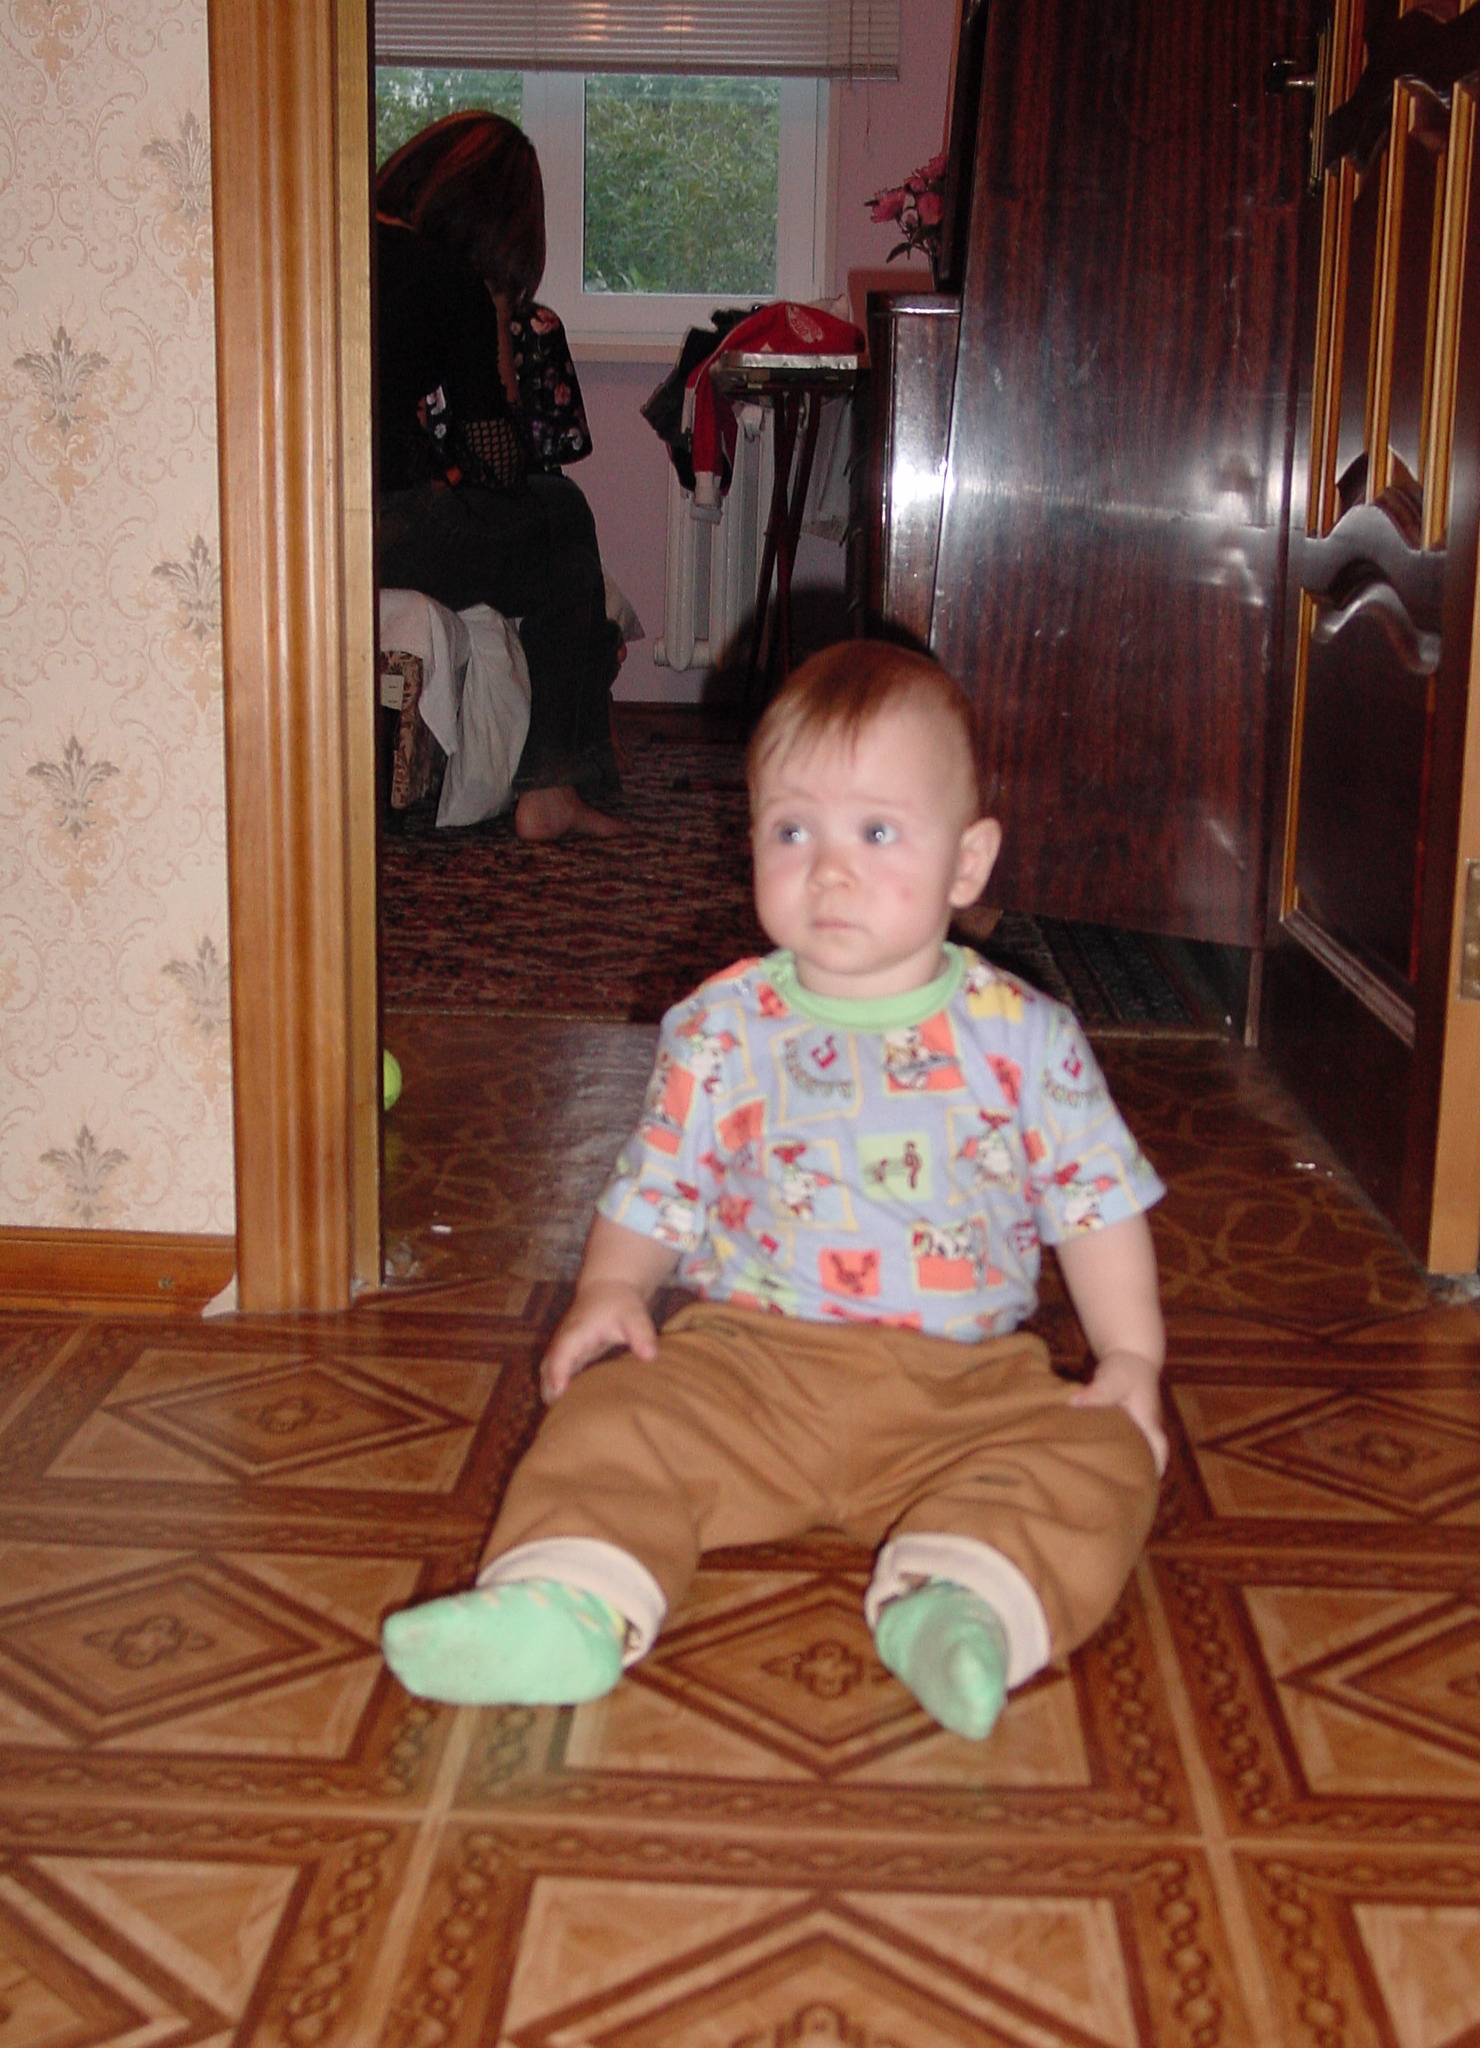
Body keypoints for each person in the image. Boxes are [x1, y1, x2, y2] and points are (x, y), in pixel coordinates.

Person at [382, 641, 1168, 1741]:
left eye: (877, 833)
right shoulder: (722, 1025)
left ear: (968, 862)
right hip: (744, 1370)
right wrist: (611, 1289)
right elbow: (656, 1179)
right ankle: (567, 1598)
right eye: (794, 831)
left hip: (965, 1392)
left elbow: (1097, 1206)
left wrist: (1131, 1357)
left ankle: (968, 1601)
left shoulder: (1025, 1038)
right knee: (611, 1415)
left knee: (1106, 1450)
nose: (829, 869)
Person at [374, 112, 622, 841]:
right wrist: (497, 335)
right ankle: (553, 783)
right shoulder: (442, 277)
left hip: (300, 515)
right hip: (378, 529)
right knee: (563, 514)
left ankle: (558, 782)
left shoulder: (331, 240)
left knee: (560, 538)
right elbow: (502, 464)